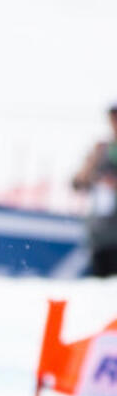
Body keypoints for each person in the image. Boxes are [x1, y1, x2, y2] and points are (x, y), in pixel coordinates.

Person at [72, 102, 117, 277]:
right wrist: (95, 176)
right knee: (102, 288)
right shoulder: (101, 150)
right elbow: (77, 183)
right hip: (101, 236)